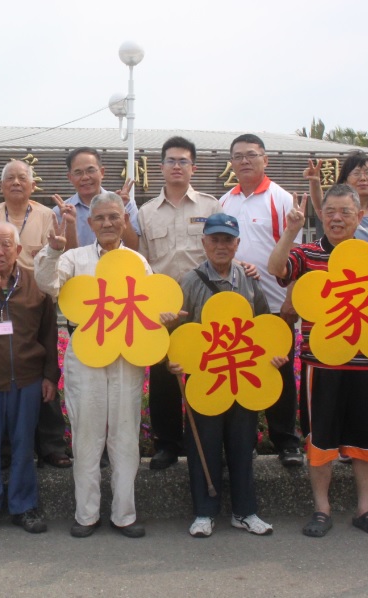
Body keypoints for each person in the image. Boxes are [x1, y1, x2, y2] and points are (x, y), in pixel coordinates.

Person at [267, 185, 368, 538]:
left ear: (359, 216)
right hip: (322, 365)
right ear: (321, 215)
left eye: (345, 212)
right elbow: (276, 267)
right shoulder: (307, 254)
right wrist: (291, 229)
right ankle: (322, 509)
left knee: (367, 440)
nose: (336, 218)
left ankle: (365, 509)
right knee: (321, 440)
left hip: (366, 365)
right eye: (330, 211)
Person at [35, 192, 149, 539]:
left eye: (114, 217)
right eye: (100, 218)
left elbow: (150, 305)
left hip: (126, 358)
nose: (108, 223)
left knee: (125, 435)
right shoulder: (73, 258)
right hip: (85, 354)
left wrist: (163, 315)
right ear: (90, 223)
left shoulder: (138, 262)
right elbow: (46, 283)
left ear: (124, 220)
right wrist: (53, 249)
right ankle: (86, 515)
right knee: (87, 435)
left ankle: (124, 515)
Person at [165, 213, 284, 538]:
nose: (221, 246)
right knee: (204, 443)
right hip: (207, 379)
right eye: (214, 240)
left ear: (237, 244)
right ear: (204, 243)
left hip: (244, 377)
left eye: (227, 240)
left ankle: (245, 512)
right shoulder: (189, 282)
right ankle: (204, 512)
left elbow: (263, 324)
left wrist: (275, 355)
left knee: (242, 445)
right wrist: (175, 360)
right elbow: (175, 331)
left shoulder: (248, 279)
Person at [0, 221, 60, 535]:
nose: (0, 251)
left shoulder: (37, 286)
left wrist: (49, 377)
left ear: (18, 250)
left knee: (23, 446)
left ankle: (23, 506)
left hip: (29, 379)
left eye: (6, 246)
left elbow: (48, 336)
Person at [0, 159, 72, 469]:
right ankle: (4, 451)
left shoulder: (47, 215)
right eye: (10, 179)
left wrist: (28, 285)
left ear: (33, 185)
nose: (16, 183)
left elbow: (58, 257)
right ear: (2, 187)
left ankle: (52, 445)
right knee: (2, 372)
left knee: (40, 365)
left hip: (35, 300)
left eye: (22, 178)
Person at [136, 136, 223, 470]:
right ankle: (167, 444)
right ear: (160, 168)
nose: (176, 166)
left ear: (193, 167)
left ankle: (209, 437)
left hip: (204, 301)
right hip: (163, 305)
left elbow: (222, 251)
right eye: (170, 161)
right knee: (163, 379)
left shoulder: (210, 206)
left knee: (205, 371)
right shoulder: (146, 212)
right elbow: (143, 262)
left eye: (183, 161)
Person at [218, 134, 305, 467]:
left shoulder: (281, 199)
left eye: (251, 155)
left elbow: (296, 253)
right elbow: (219, 248)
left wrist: (291, 298)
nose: (244, 161)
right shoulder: (226, 201)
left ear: (264, 159)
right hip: (238, 306)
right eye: (237, 156)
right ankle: (245, 441)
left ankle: (286, 441)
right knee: (242, 372)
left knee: (279, 373)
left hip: (275, 303)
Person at [306, 150, 368, 263]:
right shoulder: (338, 215)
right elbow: (320, 204)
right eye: (357, 173)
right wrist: (314, 182)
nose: (363, 178)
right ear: (344, 181)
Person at [50, 147, 141, 250]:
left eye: (91, 170)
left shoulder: (125, 203)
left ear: (102, 172)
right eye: (78, 172)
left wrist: (120, 209)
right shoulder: (60, 212)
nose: (85, 177)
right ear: (70, 177)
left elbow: (134, 247)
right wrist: (70, 224)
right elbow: (66, 256)